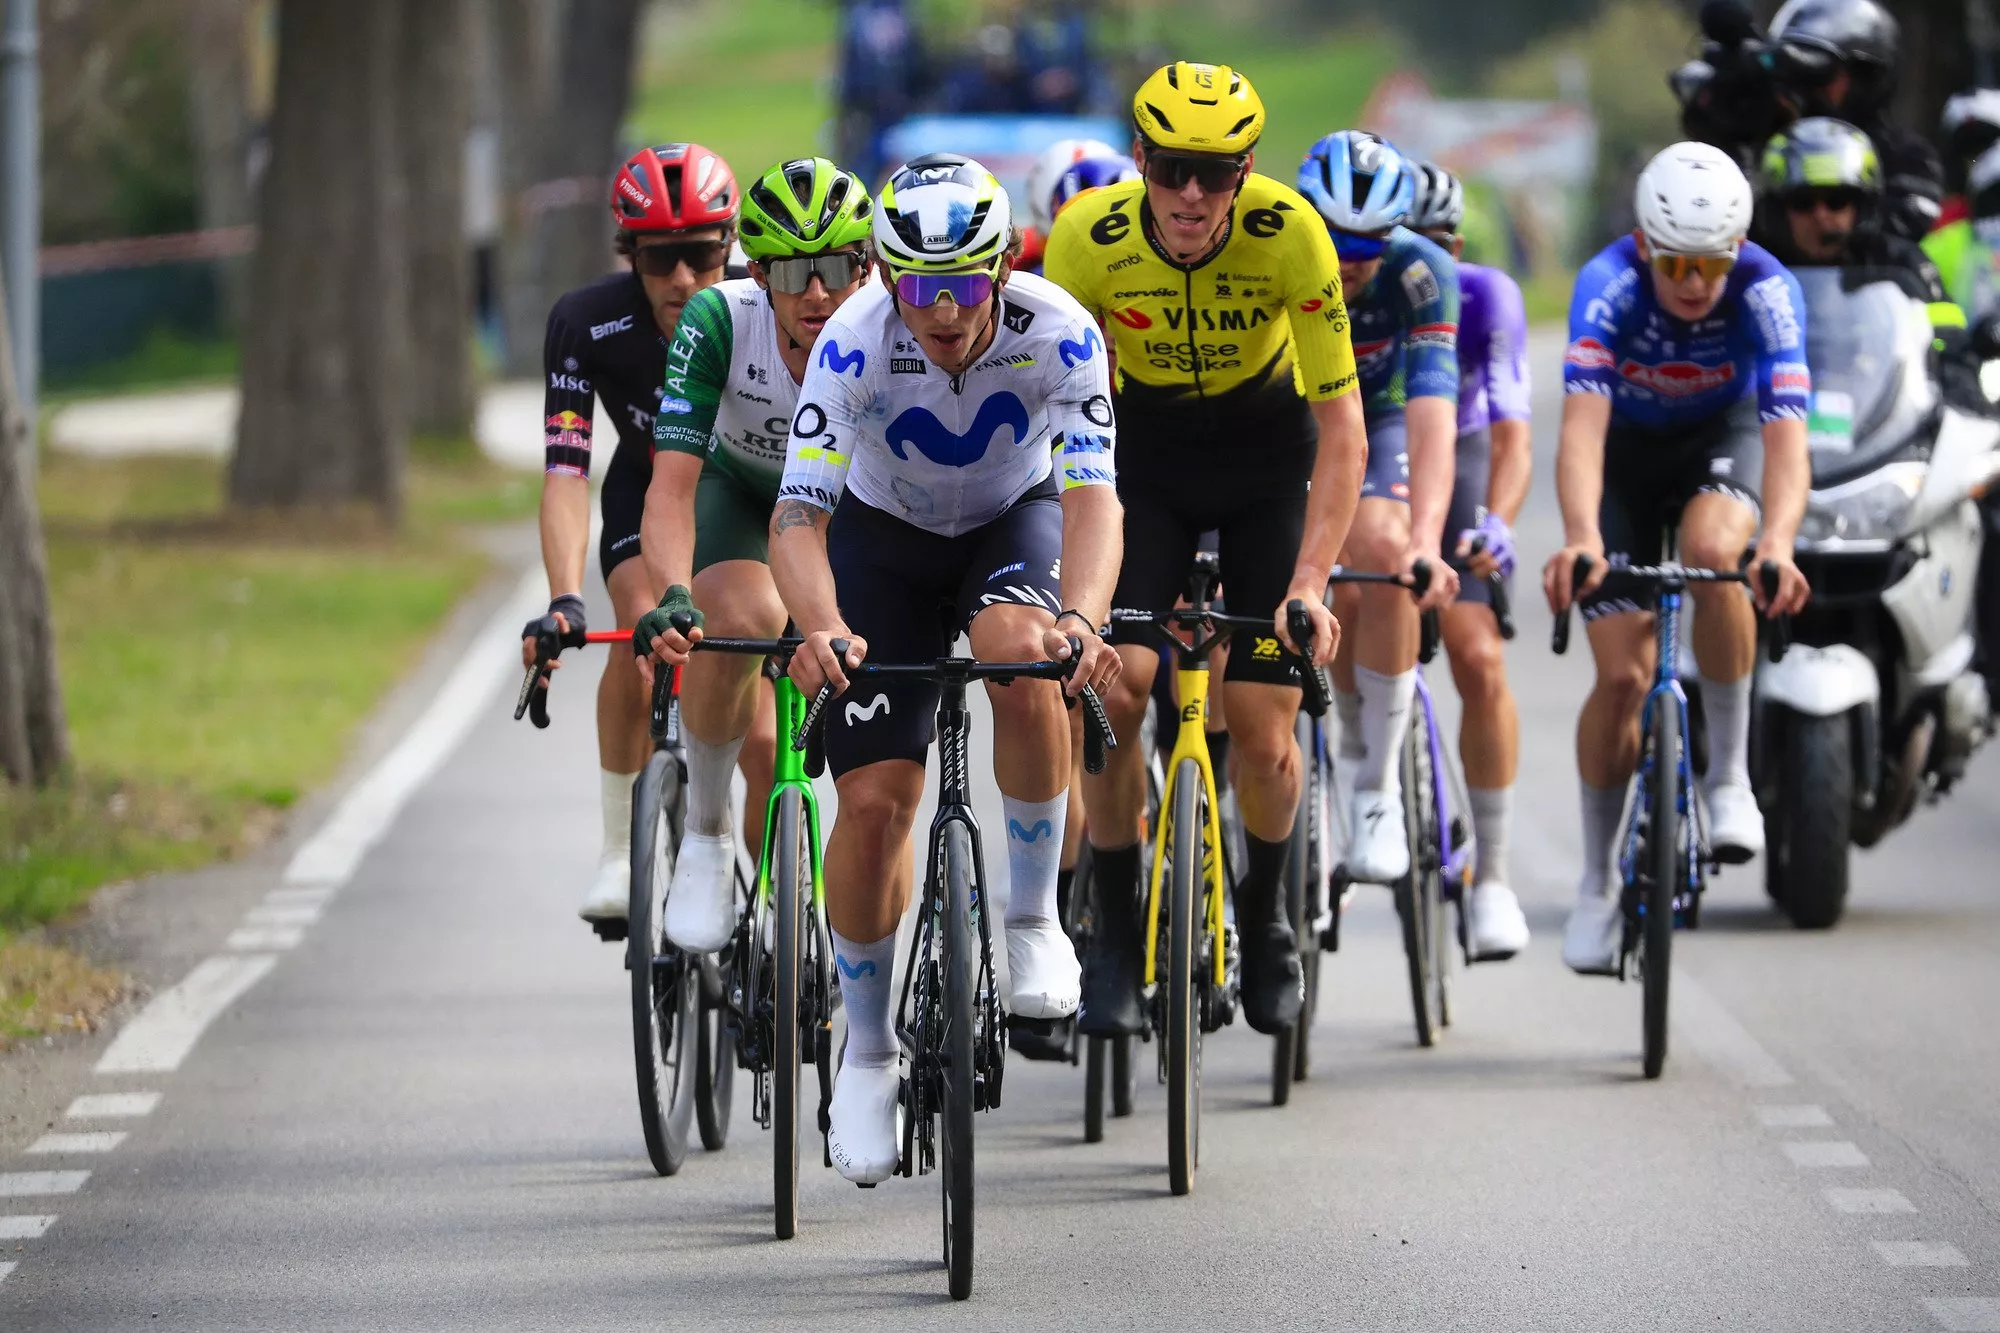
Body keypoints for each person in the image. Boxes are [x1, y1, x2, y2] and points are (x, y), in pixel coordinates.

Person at [768, 154, 1124, 1184]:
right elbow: (798, 519)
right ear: (884, 273)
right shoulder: (850, 342)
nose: (943, 311)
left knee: (1025, 651)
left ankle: (1027, 920)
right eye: (918, 287)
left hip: (1010, 524)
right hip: (881, 543)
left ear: (1003, 269)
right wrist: (823, 624)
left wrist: (1081, 616)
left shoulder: (1059, 328)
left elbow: (1093, 497)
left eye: (965, 285)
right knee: (874, 803)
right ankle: (868, 1047)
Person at [1044, 61, 1368, 1040]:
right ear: (1138, 158)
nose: (1191, 195)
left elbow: (1342, 426)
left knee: (1264, 720)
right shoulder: (1085, 238)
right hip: (1144, 466)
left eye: (1216, 172)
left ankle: (1266, 918)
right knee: (1113, 685)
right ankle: (1107, 929)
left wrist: (1309, 580)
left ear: (1245, 169)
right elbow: (1054, 413)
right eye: (1172, 167)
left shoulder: (1290, 233)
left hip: (1268, 464)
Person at [1543, 142, 1812, 974]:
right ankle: (1595, 883)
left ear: (1737, 251)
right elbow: (1580, 436)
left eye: (1711, 265)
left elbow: (1787, 443)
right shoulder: (1608, 283)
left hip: (1714, 446)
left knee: (1713, 550)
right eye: (1676, 265)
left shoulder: (1768, 290)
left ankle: (1728, 777)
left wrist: (1777, 543)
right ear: (1644, 245)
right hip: (1623, 455)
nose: (1695, 284)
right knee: (1622, 676)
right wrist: (1583, 536)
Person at [627, 158, 876, 951]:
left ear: (865, 269)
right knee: (741, 614)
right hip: (742, 494)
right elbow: (670, 487)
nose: (816, 294)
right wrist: (672, 592)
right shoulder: (715, 320)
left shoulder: (891, 328)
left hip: (850, 510)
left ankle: (823, 907)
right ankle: (705, 831)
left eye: (835, 268)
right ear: (759, 272)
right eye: (794, 273)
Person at [521, 142, 740, 931]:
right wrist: (564, 598)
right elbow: (566, 471)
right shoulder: (586, 322)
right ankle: (619, 852)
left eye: (701, 254)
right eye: (659, 258)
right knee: (643, 640)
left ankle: (777, 878)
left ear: (730, 246)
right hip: (647, 492)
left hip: (746, 495)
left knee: (756, 670)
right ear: (631, 255)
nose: (682, 278)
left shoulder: (766, 301)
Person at [1294, 132, 1470, 900]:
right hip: (1289, 422)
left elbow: (1434, 415)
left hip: (1384, 416)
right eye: (1335, 240)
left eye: (1371, 242)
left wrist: (1428, 541)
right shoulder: (1278, 252)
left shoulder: (1421, 272)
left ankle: (1375, 788)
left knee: (1388, 553)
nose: (1353, 259)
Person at [1404, 161, 1534, 960]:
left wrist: (1498, 523)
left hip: (1463, 452)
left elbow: (1514, 434)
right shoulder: (1346, 283)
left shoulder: (1488, 296)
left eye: (1443, 244)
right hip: (1372, 459)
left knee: (1477, 654)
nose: (1428, 264)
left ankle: (1494, 876)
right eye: (1409, 245)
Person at [1754, 117, 1947, 303]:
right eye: (1802, 202)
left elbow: (1947, 328)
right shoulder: (1753, 267)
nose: (1820, 215)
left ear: (1862, 207)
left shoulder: (1899, 261)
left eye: (1836, 201)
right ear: (1777, 211)